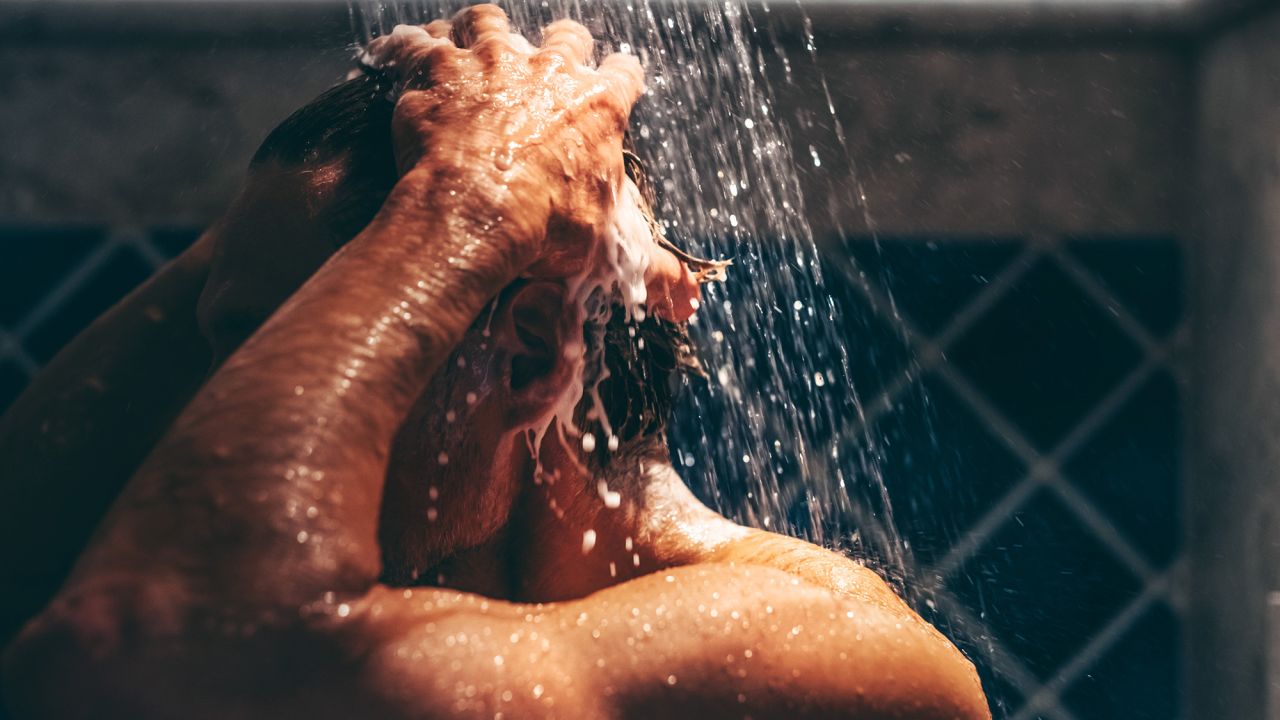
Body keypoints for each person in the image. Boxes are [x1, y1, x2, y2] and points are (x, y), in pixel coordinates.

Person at [0, 7, 989, 718]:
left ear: (527, 364)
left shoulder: (821, 656)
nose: (242, 404)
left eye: (274, 342)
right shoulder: (385, 600)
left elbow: (134, 653)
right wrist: (324, 199)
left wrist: (467, 211)